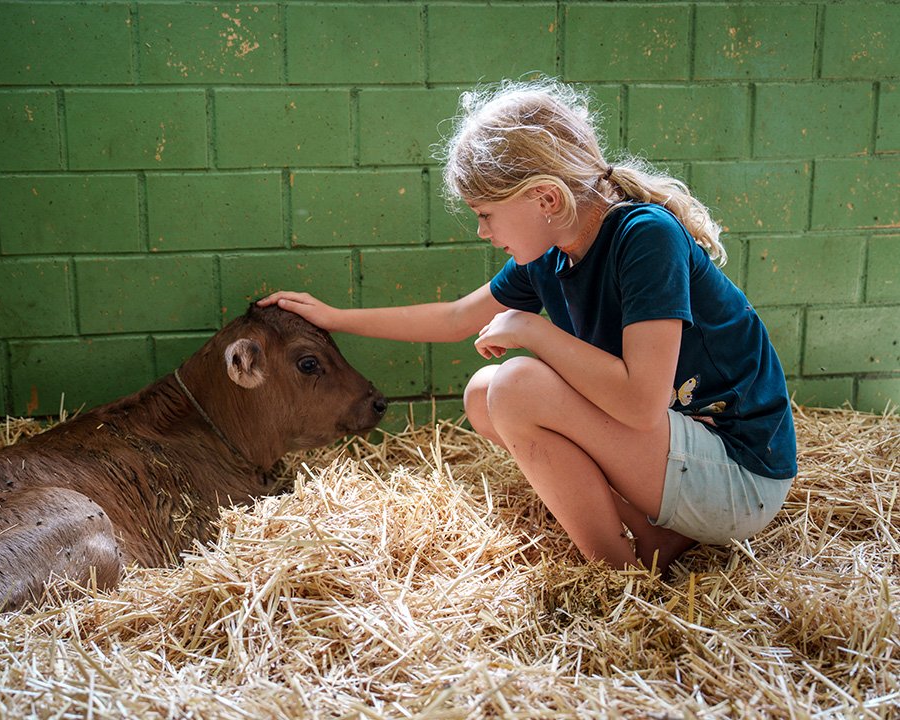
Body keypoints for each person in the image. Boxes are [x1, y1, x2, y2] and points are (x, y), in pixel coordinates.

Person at [258, 78, 797, 574]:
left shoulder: (644, 236)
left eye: (486, 214)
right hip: (678, 460)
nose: (482, 230)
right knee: (483, 393)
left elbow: (640, 404)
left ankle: (620, 580)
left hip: (739, 476)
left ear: (546, 199)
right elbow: (456, 317)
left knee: (517, 385)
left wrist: (535, 332)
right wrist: (333, 319)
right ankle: (656, 538)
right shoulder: (551, 253)